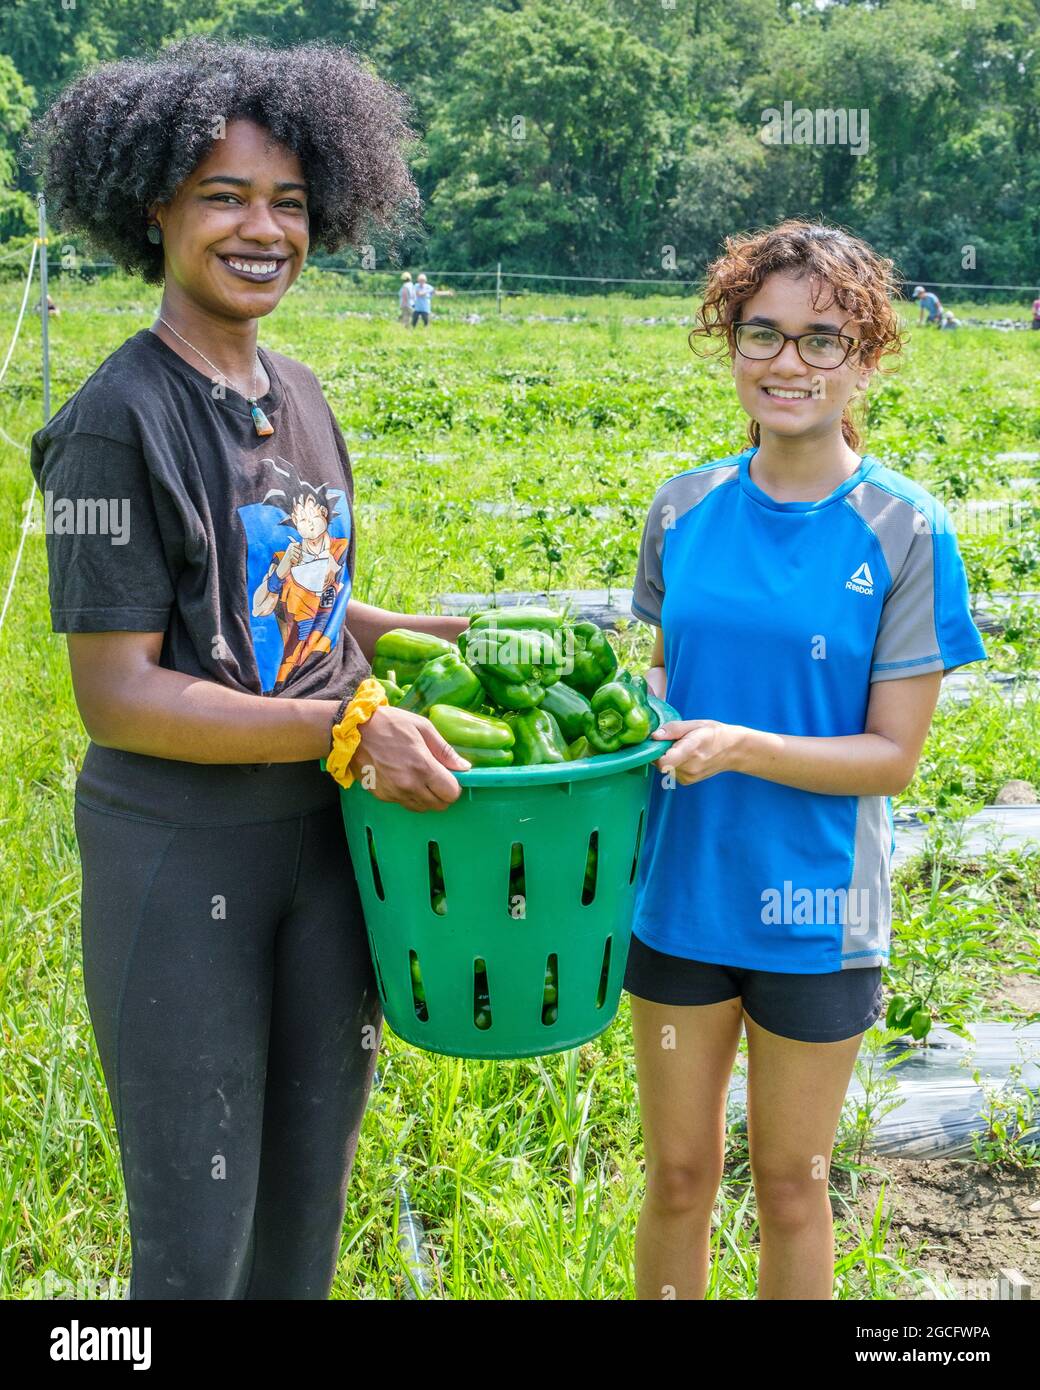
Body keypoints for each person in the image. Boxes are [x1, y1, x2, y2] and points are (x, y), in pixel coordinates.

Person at [26, 36, 473, 1301]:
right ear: (154, 206)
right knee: (193, 1241)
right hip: (183, 859)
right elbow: (117, 691)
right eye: (222, 195)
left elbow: (293, 598)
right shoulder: (110, 425)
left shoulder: (299, 390)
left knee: (299, 1226)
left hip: (324, 855)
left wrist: (408, 642)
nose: (260, 227)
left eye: (286, 199)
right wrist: (350, 731)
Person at [625, 220, 987, 1301]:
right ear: (727, 344)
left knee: (790, 1185)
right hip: (675, 900)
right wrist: (642, 711)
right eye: (761, 333)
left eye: (820, 339)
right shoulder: (683, 506)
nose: (787, 362)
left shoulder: (903, 531)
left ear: (866, 357)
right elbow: (656, 670)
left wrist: (737, 746)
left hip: (814, 919)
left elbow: (890, 758)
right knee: (679, 1176)